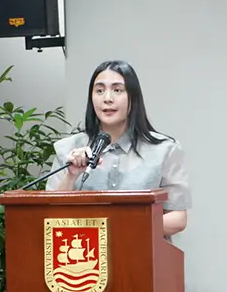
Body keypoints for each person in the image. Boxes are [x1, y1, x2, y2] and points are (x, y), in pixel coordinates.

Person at [45, 60, 190, 237]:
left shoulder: (164, 150)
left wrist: (121, 226)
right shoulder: (69, 148)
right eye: (99, 91)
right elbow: (49, 215)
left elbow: (177, 218)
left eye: (117, 90)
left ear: (133, 97)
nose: (107, 98)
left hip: (142, 251)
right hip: (84, 252)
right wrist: (71, 175)